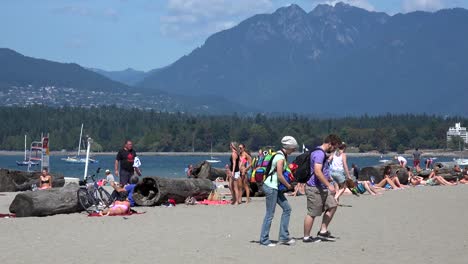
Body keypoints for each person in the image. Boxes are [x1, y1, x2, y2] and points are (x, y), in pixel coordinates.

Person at [303, 134, 342, 243]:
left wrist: (328, 179)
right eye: (334, 147)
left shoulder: (322, 153)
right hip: (314, 187)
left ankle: (323, 231)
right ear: (330, 144)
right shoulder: (319, 153)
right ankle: (306, 236)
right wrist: (329, 185)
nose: (334, 149)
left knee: (333, 205)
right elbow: (317, 171)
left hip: (323, 187)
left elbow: (322, 170)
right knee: (313, 213)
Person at [259, 136, 296, 246]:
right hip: (271, 187)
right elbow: (279, 175)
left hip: (275, 187)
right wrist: (289, 186)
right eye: (293, 148)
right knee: (270, 214)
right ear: (288, 147)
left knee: (287, 209)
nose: (294, 150)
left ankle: (284, 236)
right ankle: (264, 240)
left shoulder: (281, 155)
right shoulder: (280, 158)